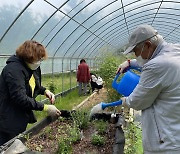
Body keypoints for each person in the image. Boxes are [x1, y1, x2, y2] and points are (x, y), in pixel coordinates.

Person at [116, 24, 180, 153]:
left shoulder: (156, 66)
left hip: (165, 143)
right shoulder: (174, 50)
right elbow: (154, 60)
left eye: (136, 51)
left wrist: (124, 101)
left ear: (148, 45)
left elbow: (137, 101)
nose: (136, 55)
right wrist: (130, 63)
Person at [0, 40, 61, 146]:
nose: (39, 61)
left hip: (20, 116)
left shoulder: (30, 67)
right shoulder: (14, 70)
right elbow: (20, 97)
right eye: (38, 58)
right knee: (8, 147)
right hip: (8, 119)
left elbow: (33, 85)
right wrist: (46, 107)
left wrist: (45, 90)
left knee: (18, 144)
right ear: (29, 56)